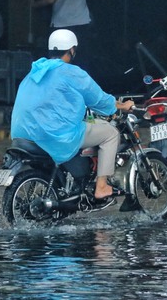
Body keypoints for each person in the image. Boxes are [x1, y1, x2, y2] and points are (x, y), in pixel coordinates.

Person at [10, 29, 134, 200]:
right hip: (53, 133)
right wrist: (122, 105)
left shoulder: (35, 71)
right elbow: (98, 99)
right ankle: (102, 186)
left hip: (22, 132)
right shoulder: (71, 72)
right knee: (111, 133)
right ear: (72, 50)